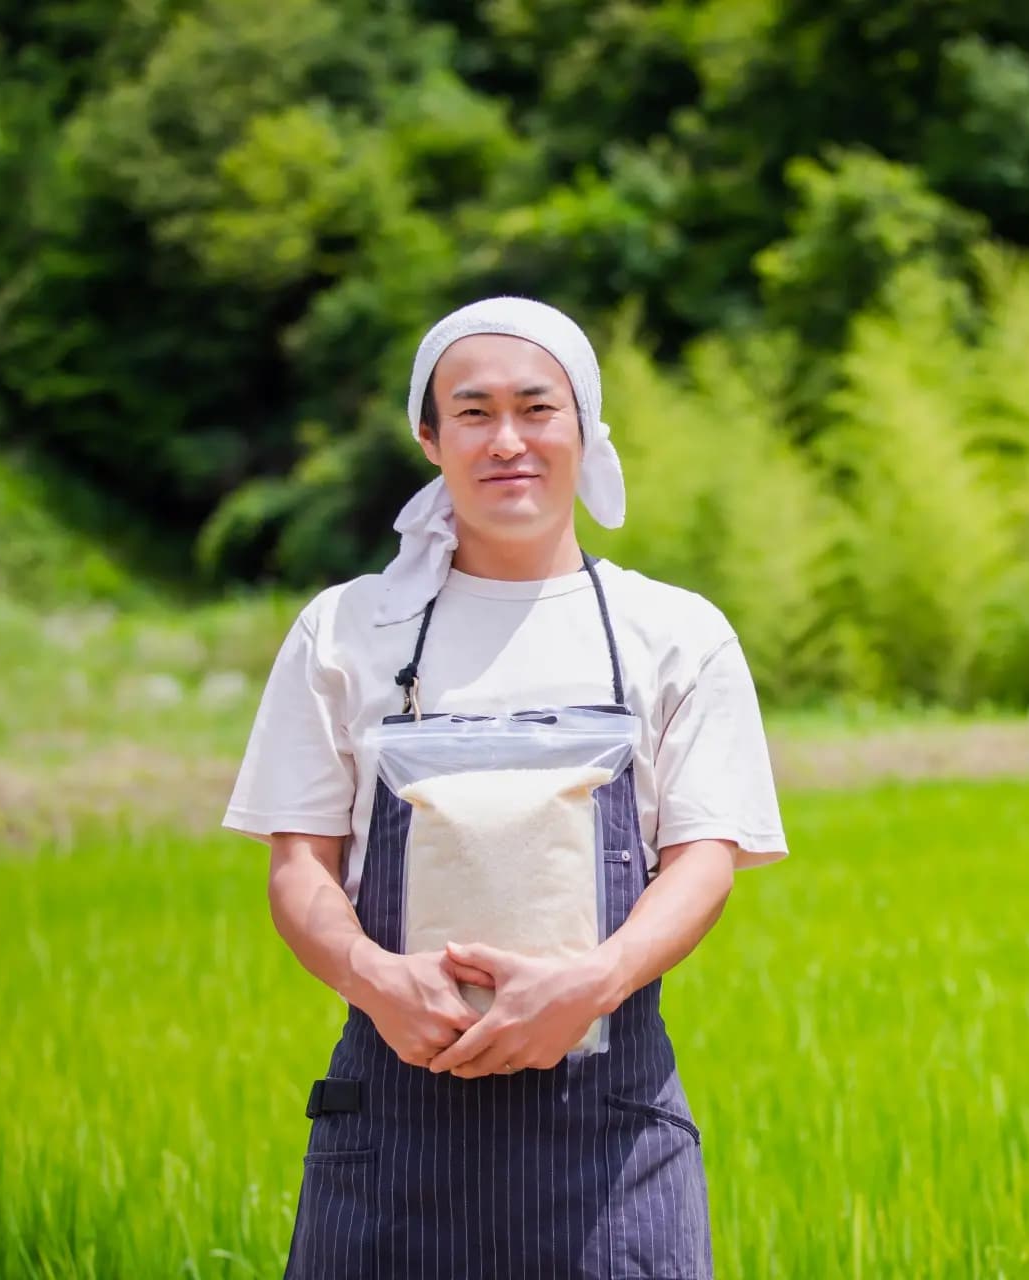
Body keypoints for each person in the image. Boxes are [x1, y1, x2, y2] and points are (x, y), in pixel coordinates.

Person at [222, 296, 788, 1278]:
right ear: (429, 437)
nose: (508, 440)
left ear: (585, 428)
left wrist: (592, 983)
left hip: (608, 1142)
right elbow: (299, 865)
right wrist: (376, 979)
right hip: (392, 1135)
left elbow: (704, 859)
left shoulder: (676, 632)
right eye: (473, 412)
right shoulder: (348, 627)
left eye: (538, 408)